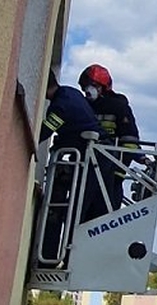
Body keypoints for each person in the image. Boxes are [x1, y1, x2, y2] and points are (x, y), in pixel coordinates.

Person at [39, 69, 114, 262]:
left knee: (78, 208)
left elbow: (44, 132)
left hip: (95, 157)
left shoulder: (61, 106)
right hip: (96, 156)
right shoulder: (70, 93)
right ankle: (64, 256)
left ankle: (68, 258)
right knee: (80, 207)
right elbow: (69, 132)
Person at [78, 63, 146, 209]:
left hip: (111, 172)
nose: (86, 90)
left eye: (90, 85)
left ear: (101, 86)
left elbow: (130, 141)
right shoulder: (85, 106)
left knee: (105, 211)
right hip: (86, 168)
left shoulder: (118, 107)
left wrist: (119, 170)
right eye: (84, 87)